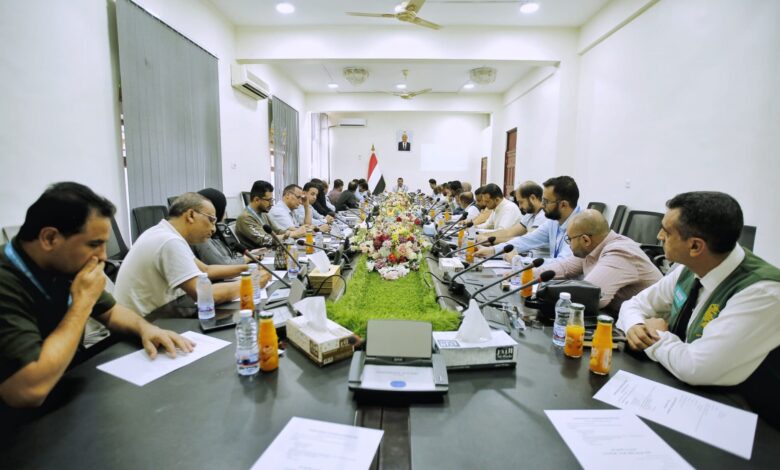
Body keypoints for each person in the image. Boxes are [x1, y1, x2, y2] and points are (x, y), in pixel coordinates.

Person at [0, 182, 193, 409]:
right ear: (50, 238)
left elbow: (111, 312)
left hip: (68, 388)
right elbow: (28, 390)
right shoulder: (7, 281)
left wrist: (147, 329)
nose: (102, 256)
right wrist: (81, 304)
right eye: (94, 244)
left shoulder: (63, 264)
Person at [616, 192, 780, 425]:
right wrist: (637, 325)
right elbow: (634, 305)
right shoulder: (691, 268)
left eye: (667, 231)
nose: (658, 235)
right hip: (692, 398)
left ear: (695, 246)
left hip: (751, 421)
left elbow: (696, 367)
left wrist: (657, 336)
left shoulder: (763, 293)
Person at [115, 193, 263, 316]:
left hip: (165, 313)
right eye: (211, 220)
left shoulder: (165, 232)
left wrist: (248, 268)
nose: (213, 229)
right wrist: (252, 284)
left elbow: (206, 270)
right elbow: (206, 295)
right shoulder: (168, 241)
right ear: (191, 215)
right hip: (147, 324)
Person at [542, 210, 662, 313]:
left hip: (647, 328)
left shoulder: (619, 252)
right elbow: (564, 268)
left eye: (569, 239)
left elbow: (589, 297)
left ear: (585, 240)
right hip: (621, 316)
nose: (568, 244)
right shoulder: (593, 248)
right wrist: (526, 275)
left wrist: (541, 293)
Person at [476, 176, 581, 263]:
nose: (543, 205)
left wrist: (519, 260)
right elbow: (526, 240)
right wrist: (493, 250)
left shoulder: (580, 225)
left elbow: (563, 263)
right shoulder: (553, 221)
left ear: (563, 205)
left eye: (546, 201)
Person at [191, 188, 264, 265]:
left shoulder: (217, 231)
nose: (225, 212)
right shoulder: (200, 236)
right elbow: (222, 264)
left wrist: (248, 254)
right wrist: (247, 258)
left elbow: (228, 256)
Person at [477, 181, 548, 255]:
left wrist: (492, 243)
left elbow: (526, 241)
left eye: (521, 202)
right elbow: (509, 232)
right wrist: (486, 236)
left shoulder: (543, 216)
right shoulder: (530, 215)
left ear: (533, 198)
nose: (520, 207)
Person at [235, 180, 280, 249]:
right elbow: (265, 240)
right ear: (256, 200)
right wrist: (292, 234)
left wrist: (295, 232)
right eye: (269, 200)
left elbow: (278, 231)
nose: (271, 204)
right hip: (258, 257)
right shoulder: (245, 218)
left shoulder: (263, 214)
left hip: (269, 252)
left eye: (272, 200)